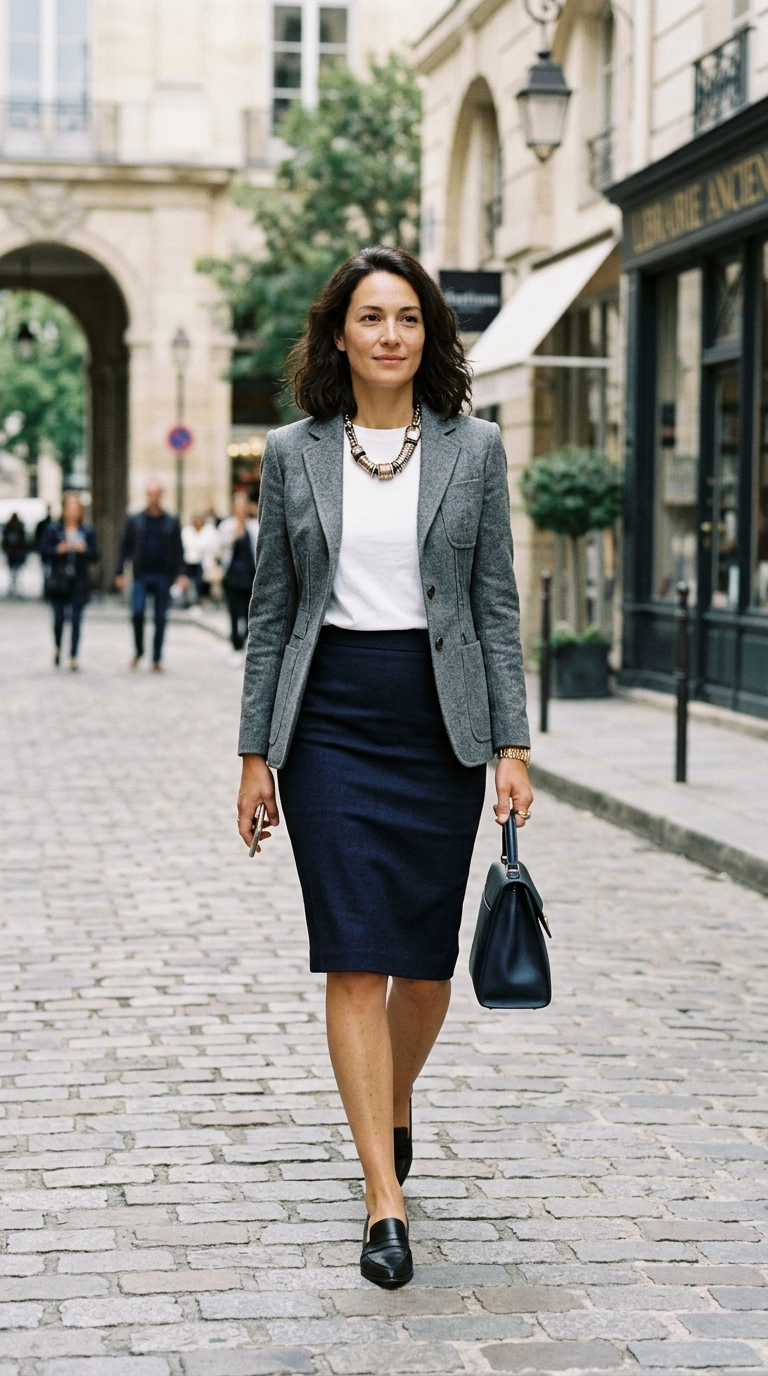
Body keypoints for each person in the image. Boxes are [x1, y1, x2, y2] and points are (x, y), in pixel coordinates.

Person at [235, 246, 533, 1289]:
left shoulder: (476, 447)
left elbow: (495, 604)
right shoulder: (291, 451)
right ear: (340, 335)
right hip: (329, 724)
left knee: (426, 964)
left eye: (408, 316)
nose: (391, 334)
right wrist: (254, 754)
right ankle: (382, 1194)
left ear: (428, 334)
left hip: (437, 719)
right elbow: (271, 615)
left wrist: (512, 743)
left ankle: (391, 1099)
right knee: (353, 956)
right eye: (372, 317)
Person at [114, 482, 187, 671]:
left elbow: (179, 549)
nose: (154, 497)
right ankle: (139, 650)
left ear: (161, 495)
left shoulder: (171, 520)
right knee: (137, 612)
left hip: (163, 575)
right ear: (147, 495)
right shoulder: (135, 519)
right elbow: (124, 547)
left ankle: (156, 657)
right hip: (141, 574)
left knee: (160, 617)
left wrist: (181, 573)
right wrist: (120, 572)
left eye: (157, 494)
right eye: (150, 494)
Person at [40, 493, 99, 670]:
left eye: (76, 508)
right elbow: (43, 550)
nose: (73, 512)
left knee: (75, 619)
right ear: (64, 510)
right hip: (59, 580)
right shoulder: (53, 529)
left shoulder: (87, 530)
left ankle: (73, 655)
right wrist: (58, 549)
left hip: (79, 581)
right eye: (70, 508)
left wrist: (84, 550)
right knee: (58, 619)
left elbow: (96, 554)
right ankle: (58, 647)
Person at [217, 492, 259, 659]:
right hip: (232, 576)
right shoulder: (226, 526)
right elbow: (220, 548)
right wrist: (236, 531)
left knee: (251, 613)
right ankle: (236, 646)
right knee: (234, 612)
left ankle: (247, 642)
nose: (242, 509)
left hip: (251, 576)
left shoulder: (255, 526)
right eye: (238, 505)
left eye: (244, 505)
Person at [181, 512, 219, 604]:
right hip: (189, 562)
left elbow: (212, 546)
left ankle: (201, 600)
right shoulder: (187, 531)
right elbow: (187, 545)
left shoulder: (209, 531)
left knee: (201, 582)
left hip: (204, 563)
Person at [2, 512, 27, 596]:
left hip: (16, 553)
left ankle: (15, 587)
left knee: (16, 572)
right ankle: (13, 587)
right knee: (14, 572)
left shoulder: (17, 528)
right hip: (13, 554)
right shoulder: (11, 528)